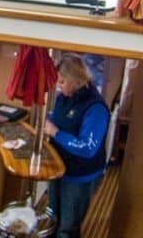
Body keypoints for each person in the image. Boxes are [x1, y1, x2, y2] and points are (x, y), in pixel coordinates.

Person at [44, 53, 110, 238]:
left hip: (80, 176)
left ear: (76, 80)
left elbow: (87, 148)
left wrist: (56, 132)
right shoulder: (64, 97)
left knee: (68, 227)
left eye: (63, 82)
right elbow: (57, 119)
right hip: (59, 167)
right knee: (53, 217)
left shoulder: (96, 108)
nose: (59, 86)